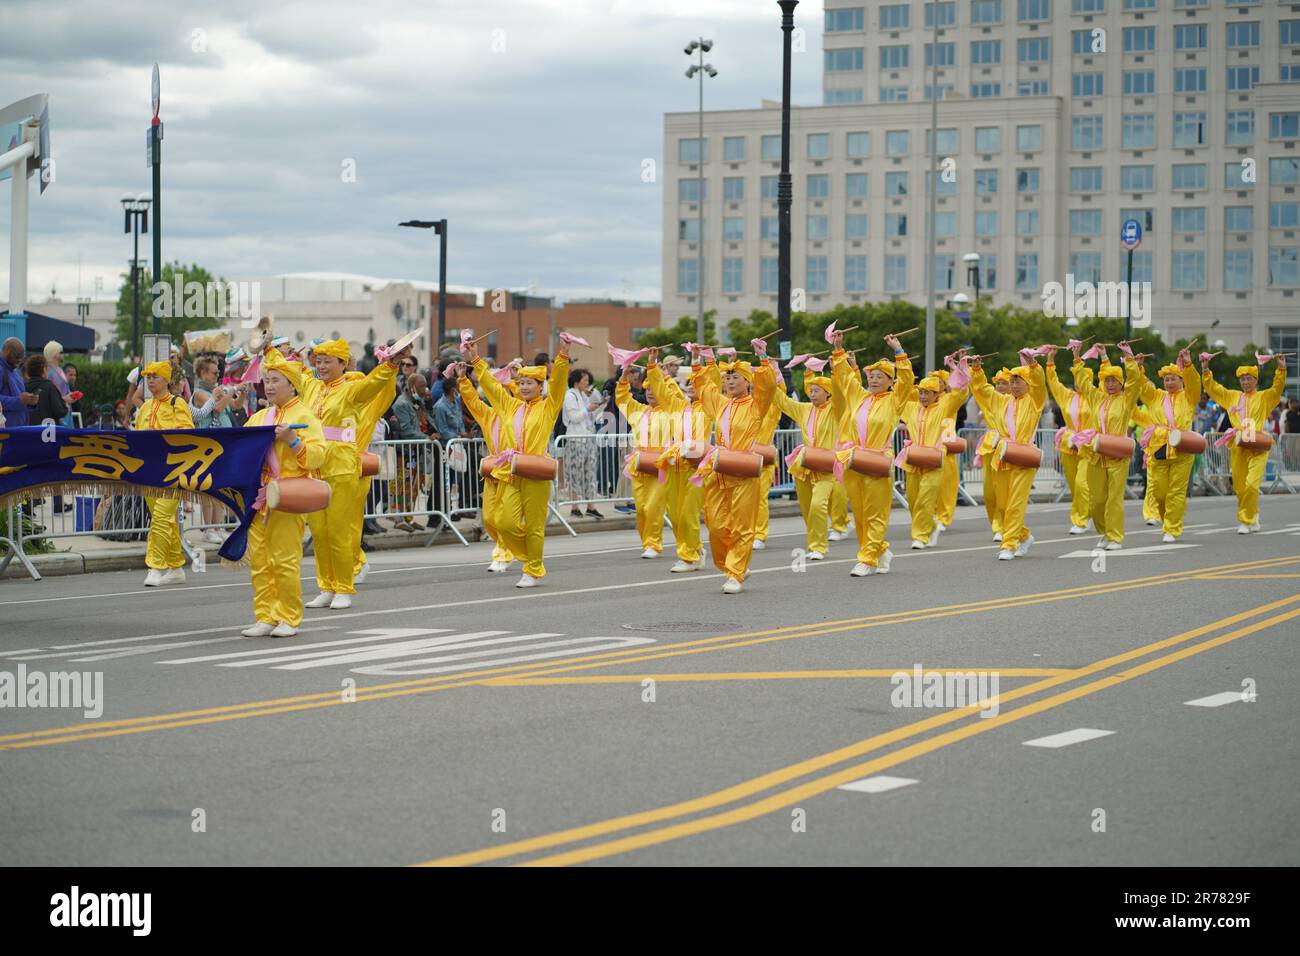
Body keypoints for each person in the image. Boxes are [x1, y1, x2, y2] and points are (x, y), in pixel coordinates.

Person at [291, 339, 403, 609]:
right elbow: (293, 372)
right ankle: (326, 587)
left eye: (328, 361)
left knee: (339, 532)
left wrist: (391, 364)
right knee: (319, 531)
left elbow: (373, 385)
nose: (322, 366)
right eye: (319, 361)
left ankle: (343, 587)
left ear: (343, 364)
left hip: (341, 468)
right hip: (314, 467)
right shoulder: (312, 386)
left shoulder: (351, 390)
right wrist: (270, 350)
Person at [465, 338, 569, 588]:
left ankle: (532, 569)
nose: (523, 387)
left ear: (540, 386)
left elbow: (558, 385)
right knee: (504, 522)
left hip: (535, 470)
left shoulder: (548, 407)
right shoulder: (511, 406)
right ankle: (532, 560)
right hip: (511, 471)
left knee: (534, 526)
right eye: (521, 383)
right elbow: (491, 387)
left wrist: (563, 356)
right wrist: (476, 360)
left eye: (529, 383)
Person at [240, 351, 326, 638]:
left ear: (292, 384)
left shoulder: (304, 415)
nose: (270, 386)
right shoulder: (260, 416)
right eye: (266, 380)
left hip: (288, 496)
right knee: (261, 560)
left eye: (276, 380)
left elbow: (317, 458)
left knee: (284, 559)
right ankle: (266, 616)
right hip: (259, 497)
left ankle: (289, 616)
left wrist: (292, 440)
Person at [689, 351, 777, 593]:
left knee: (741, 526)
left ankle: (736, 572)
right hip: (719, 470)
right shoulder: (722, 405)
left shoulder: (756, 405)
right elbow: (705, 388)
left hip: (744, 471)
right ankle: (732, 566)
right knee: (716, 526)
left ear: (748, 382)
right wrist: (700, 361)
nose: (729, 381)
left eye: (736, 377)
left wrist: (764, 358)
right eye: (727, 378)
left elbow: (768, 387)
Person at [831, 332, 912, 576]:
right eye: (871, 376)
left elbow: (906, 380)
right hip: (854, 460)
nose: (874, 380)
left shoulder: (895, 400)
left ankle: (867, 559)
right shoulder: (860, 397)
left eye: (880, 377)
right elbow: (845, 377)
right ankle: (880, 549)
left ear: (890, 381)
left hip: (877, 461)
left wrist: (899, 352)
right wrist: (838, 350)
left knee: (876, 513)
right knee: (861, 513)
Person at [969, 354, 1046, 561]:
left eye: (1018, 381)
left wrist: (1033, 365)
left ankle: (1009, 544)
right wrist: (977, 370)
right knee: (1002, 505)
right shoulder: (1001, 401)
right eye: (1012, 381)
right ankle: (1025, 536)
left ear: (1028, 383)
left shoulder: (1035, 401)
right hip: (1002, 456)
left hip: (1024, 458)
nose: (1014, 385)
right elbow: (982, 389)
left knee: (1015, 504)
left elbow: (1040, 385)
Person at [1201, 354, 1288, 532]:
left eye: (1249, 379)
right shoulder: (1232, 396)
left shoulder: (1264, 397)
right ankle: (1252, 515)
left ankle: (1246, 520)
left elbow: (1277, 388)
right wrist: (1205, 369)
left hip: (1258, 445)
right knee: (1240, 487)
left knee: (1252, 484)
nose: (1245, 382)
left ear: (1256, 380)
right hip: (1238, 446)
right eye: (1242, 379)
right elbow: (1213, 389)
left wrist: (1280, 369)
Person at [769, 361, 843, 561]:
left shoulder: (836, 409)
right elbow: (781, 400)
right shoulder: (804, 409)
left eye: (817, 390)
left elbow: (842, 392)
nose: (812, 393)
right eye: (811, 390)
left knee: (818, 505)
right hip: (804, 465)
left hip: (826, 467)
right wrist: (767, 364)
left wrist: (838, 365)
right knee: (807, 507)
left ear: (828, 392)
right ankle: (814, 544)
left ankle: (819, 546)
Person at [644, 354, 709, 572]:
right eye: (689, 383)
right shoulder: (678, 407)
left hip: (697, 469)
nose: (691, 386)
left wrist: (700, 361)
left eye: (696, 382)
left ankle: (688, 557)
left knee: (688, 514)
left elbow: (715, 383)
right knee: (675, 515)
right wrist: (653, 365)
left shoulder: (708, 408)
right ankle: (696, 549)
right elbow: (660, 389)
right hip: (675, 468)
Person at [1074, 350, 1144, 550]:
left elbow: (1135, 382)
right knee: (1096, 501)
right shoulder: (1098, 398)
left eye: (1114, 381)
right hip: (1096, 455)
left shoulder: (1126, 400)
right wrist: (1077, 358)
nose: (1110, 385)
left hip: (1117, 456)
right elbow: (1084, 383)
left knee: (1114, 499)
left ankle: (1115, 537)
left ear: (1121, 383)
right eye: (1107, 381)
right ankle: (1105, 532)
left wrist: (1130, 359)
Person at [134, 360, 195, 587]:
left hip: (172, 470)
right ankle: (176, 566)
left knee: (160, 516)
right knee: (164, 519)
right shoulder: (146, 407)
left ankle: (155, 566)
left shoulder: (177, 404)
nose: (150, 381)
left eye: (155, 377)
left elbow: (187, 435)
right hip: (149, 470)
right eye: (148, 377)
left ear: (166, 380)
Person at [454, 362, 518, 573]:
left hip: (513, 471)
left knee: (503, 517)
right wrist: (463, 379)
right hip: (493, 471)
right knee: (489, 517)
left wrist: (515, 378)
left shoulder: (518, 411)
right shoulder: (488, 415)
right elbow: (471, 401)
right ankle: (507, 546)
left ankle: (503, 553)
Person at [1132, 349, 1199, 542]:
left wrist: (1188, 364)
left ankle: (1172, 528)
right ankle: (1166, 519)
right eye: (1166, 379)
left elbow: (1195, 383)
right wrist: (1138, 367)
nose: (1169, 382)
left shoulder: (1189, 396)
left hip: (1182, 448)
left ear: (1181, 380)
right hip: (1159, 448)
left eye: (1173, 379)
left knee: (1176, 491)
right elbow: (1143, 386)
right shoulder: (1156, 397)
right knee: (1159, 492)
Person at [898, 372, 968, 550]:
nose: (923, 396)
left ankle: (919, 536)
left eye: (927, 393)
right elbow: (899, 394)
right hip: (913, 460)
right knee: (913, 500)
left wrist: (960, 370)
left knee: (925, 499)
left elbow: (960, 395)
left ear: (938, 394)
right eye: (921, 392)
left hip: (935, 460)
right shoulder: (911, 408)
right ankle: (930, 527)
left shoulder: (945, 408)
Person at [615, 360, 674, 558]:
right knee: (641, 507)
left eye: (654, 389)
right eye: (647, 389)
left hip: (660, 465)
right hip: (639, 465)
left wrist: (661, 373)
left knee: (653, 506)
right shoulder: (638, 411)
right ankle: (646, 541)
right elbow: (622, 398)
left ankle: (653, 544)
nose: (650, 392)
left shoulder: (671, 413)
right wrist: (624, 376)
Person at [1045, 345, 1096, 535]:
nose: (1078, 382)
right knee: (1075, 485)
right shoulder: (1066, 396)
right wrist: (1050, 361)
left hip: (1089, 445)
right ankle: (1084, 514)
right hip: (1069, 445)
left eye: (1081, 378)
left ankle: (1082, 520)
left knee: (1083, 484)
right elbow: (1053, 382)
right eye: (1075, 378)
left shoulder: (1096, 397)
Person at [390, 372, 433, 533]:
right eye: (422, 386)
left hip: (414, 450)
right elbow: (407, 431)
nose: (425, 389)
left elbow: (426, 419)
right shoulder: (402, 404)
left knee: (413, 485)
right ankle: (398, 517)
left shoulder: (416, 402)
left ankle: (409, 516)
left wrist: (427, 403)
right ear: (412, 387)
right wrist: (427, 437)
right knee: (402, 485)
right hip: (404, 452)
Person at [561, 367, 605, 519]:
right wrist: (588, 409)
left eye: (587, 380)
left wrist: (597, 407)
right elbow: (574, 417)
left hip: (588, 438)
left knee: (590, 473)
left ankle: (591, 506)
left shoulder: (583, 395)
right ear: (576, 381)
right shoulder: (570, 395)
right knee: (575, 473)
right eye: (584, 380)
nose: (587, 383)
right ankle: (575, 506)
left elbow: (590, 416)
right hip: (575, 439)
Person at [24, 354, 68, 428]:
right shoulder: (50, 387)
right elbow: (60, 411)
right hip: (48, 434)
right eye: (47, 368)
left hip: (28, 431)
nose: (48, 370)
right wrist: (66, 405)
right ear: (44, 369)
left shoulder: (23, 386)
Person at [1, 337, 36, 427]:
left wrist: (29, 402)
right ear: (6, 351)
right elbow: (18, 401)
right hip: (6, 432)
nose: (20, 359)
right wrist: (19, 401)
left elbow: (20, 402)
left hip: (20, 429)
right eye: (17, 355)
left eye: (22, 357)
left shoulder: (16, 372)